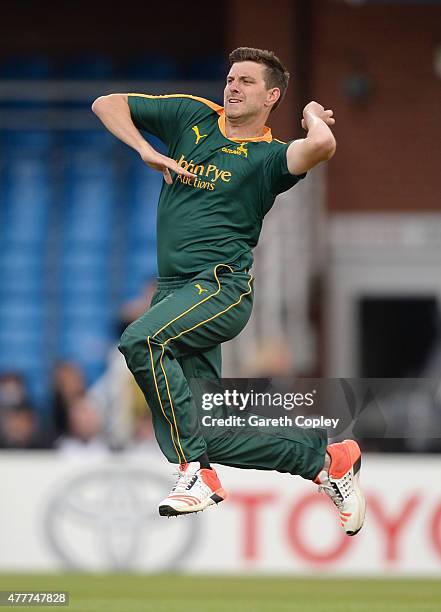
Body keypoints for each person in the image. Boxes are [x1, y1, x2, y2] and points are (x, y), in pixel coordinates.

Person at [92, 47, 366, 535]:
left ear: (272, 96)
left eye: (246, 81)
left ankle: (194, 473)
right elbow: (107, 103)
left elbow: (321, 146)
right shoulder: (192, 118)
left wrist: (308, 116)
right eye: (230, 77)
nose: (232, 86)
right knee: (209, 432)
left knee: (141, 341)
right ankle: (327, 460)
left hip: (220, 288)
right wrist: (145, 148)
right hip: (175, 292)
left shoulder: (268, 157)